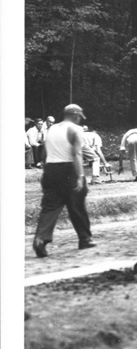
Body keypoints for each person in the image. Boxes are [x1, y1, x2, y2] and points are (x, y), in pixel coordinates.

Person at [32, 104, 94, 257]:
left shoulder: (51, 129)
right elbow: (77, 154)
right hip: (69, 169)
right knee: (77, 205)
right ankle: (85, 239)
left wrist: (45, 171)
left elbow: (45, 152)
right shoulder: (75, 129)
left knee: (50, 207)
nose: (80, 119)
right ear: (75, 115)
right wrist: (80, 177)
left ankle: (41, 238)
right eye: (79, 116)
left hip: (51, 168)